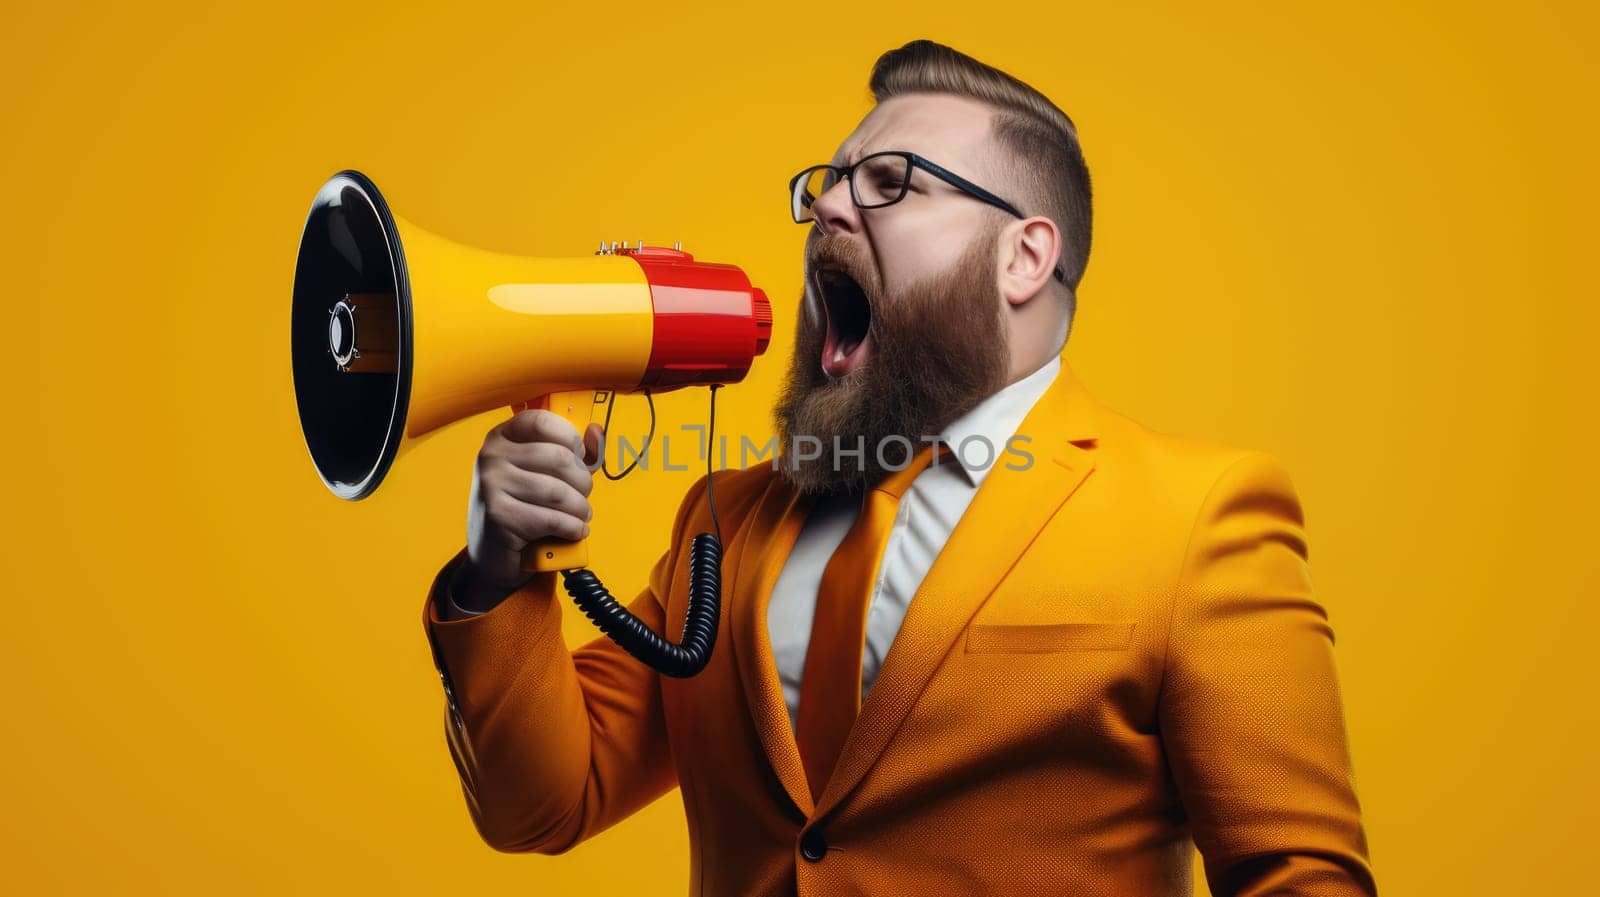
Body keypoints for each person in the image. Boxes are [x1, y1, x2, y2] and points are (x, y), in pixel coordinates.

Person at [421, 39, 1378, 897]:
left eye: (891, 182)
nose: (830, 207)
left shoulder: (1197, 516)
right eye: (826, 185)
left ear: (1023, 257)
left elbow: (1297, 877)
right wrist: (499, 569)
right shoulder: (724, 522)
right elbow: (542, 804)